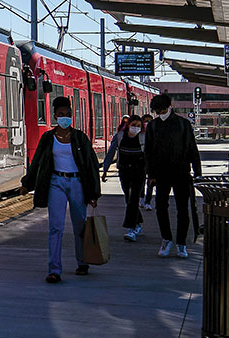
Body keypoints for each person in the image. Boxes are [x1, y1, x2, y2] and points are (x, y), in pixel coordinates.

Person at [20, 96, 101, 283]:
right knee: (55, 227)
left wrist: (93, 193)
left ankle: (82, 262)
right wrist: (27, 183)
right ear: (55, 116)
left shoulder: (80, 138)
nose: (65, 117)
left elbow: (91, 166)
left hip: (77, 183)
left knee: (79, 225)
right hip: (56, 182)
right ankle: (54, 269)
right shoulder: (48, 138)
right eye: (61, 114)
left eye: (68, 114)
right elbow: (37, 162)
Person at [144, 94, 202, 259]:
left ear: (169, 106)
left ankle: (181, 243)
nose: (160, 113)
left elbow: (192, 149)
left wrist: (197, 172)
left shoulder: (184, 125)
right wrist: (151, 174)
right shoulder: (153, 126)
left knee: (183, 209)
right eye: (157, 111)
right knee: (161, 208)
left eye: (162, 110)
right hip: (161, 174)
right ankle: (166, 239)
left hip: (182, 172)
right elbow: (148, 152)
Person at [103, 115, 147, 241]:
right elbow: (111, 152)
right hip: (124, 171)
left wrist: (153, 174)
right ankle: (138, 223)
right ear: (128, 125)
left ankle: (131, 229)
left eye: (139, 126)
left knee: (133, 198)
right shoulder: (120, 136)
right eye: (134, 125)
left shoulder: (144, 138)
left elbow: (149, 155)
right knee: (128, 198)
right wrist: (105, 169)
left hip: (139, 172)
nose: (136, 128)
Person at [141, 114, 155, 211]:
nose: (147, 123)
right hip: (141, 161)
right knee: (141, 181)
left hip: (151, 162)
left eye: (149, 121)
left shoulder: (155, 134)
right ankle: (141, 199)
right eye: (146, 121)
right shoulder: (139, 135)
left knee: (151, 183)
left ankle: (148, 202)